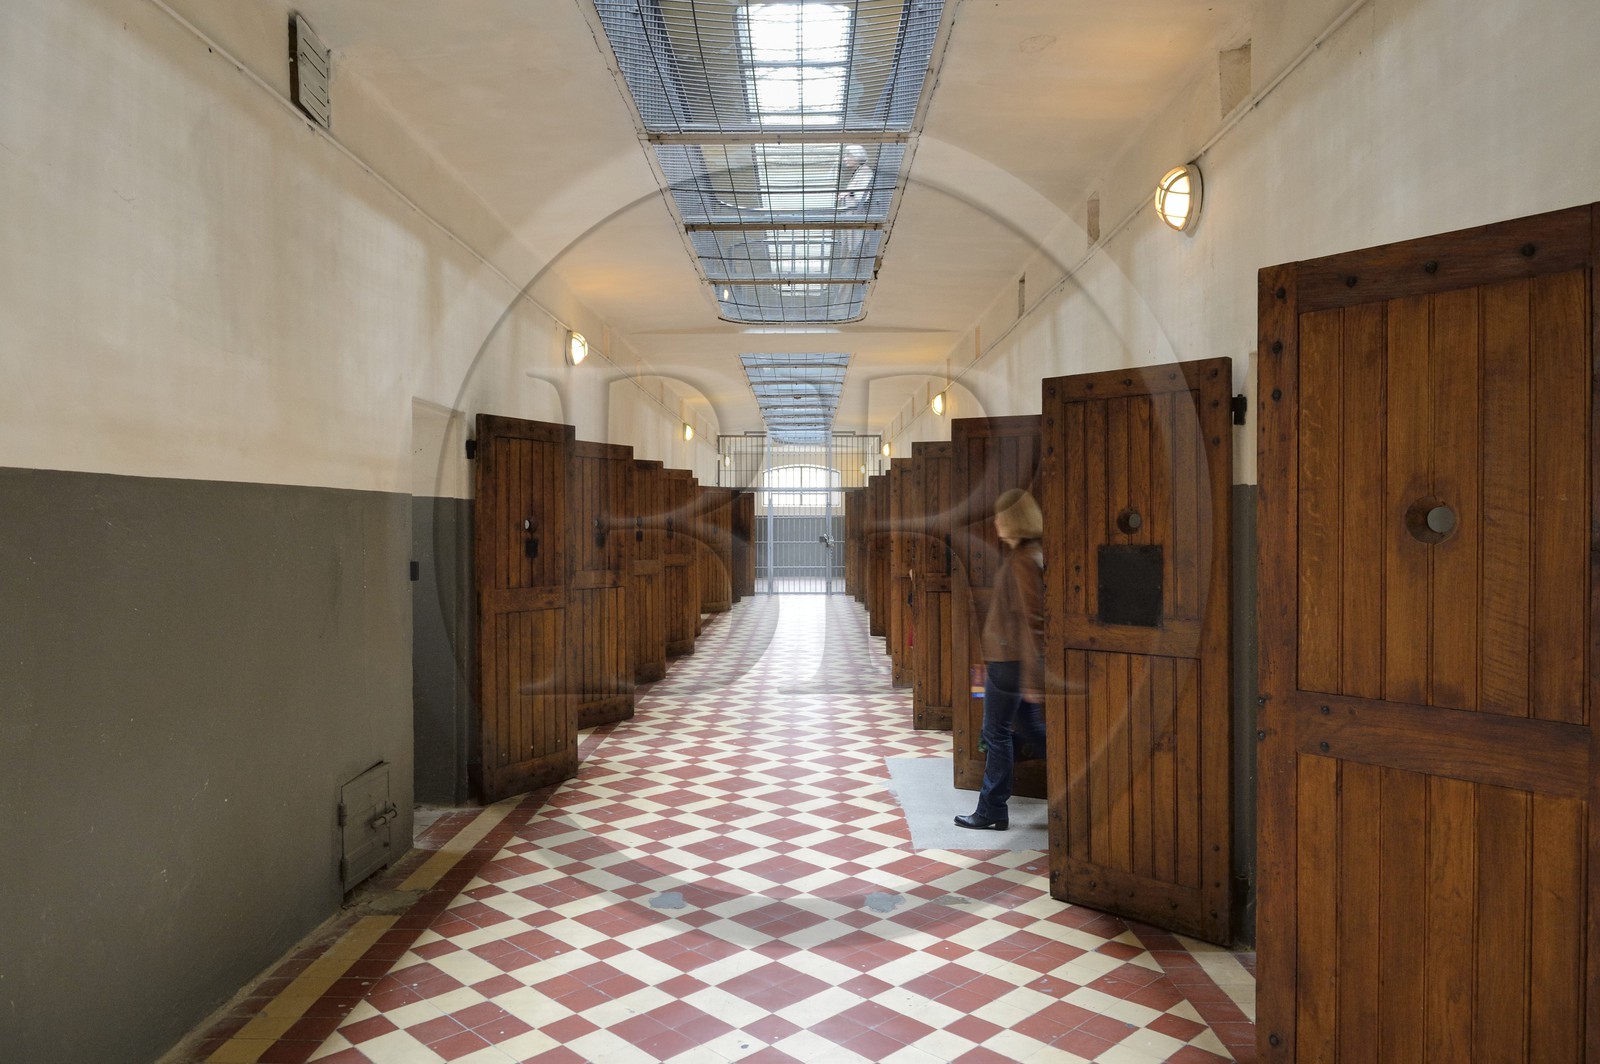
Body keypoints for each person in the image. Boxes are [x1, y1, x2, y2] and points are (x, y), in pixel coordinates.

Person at [955, 488, 1046, 831]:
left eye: (999, 516)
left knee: (996, 733)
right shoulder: (1027, 555)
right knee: (1030, 732)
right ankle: (1083, 781)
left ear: (1012, 520)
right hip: (1007, 662)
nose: (994, 522)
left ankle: (991, 808)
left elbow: (1033, 621)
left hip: (1008, 664)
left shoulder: (1024, 561)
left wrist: (1034, 679)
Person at [835, 144, 874, 276]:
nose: (845, 159)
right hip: (851, 220)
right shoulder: (858, 173)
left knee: (854, 254)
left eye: (848, 156)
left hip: (857, 220)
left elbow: (864, 196)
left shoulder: (865, 172)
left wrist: (847, 193)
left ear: (857, 157)